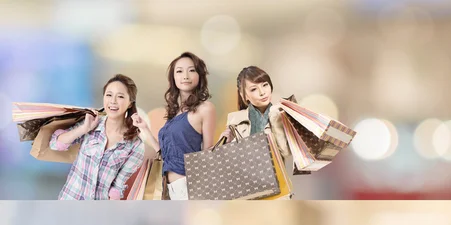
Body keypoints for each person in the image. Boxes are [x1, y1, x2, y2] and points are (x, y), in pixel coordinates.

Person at [134, 52, 216, 200]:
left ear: (200, 75)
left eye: (191, 70)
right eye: (179, 71)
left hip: (189, 186)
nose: (185, 76)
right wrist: (145, 128)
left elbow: (207, 153)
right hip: (169, 188)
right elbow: (165, 154)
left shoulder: (205, 108)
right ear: (173, 78)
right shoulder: (175, 113)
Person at [50, 75, 145, 200]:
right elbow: (55, 144)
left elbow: (117, 188)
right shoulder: (91, 123)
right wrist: (83, 129)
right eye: (109, 95)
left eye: (120, 96)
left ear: (130, 103)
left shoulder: (136, 145)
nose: (113, 101)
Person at [222, 66, 290, 159]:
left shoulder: (280, 115)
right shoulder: (234, 119)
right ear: (244, 96)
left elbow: (285, 153)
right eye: (254, 89)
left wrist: (275, 119)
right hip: (245, 172)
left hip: (275, 172)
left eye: (265, 85)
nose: (262, 92)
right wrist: (226, 144)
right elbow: (228, 159)